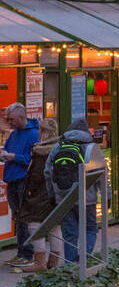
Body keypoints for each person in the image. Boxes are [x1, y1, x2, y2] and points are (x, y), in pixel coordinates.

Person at [45, 116, 109, 265]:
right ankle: (84, 258)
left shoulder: (58, 147)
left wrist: (52, 195)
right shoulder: (92, 148)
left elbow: (47, 172)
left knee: (69, 233)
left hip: (64, 198)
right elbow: (102, 174)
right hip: (87, 198)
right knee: (90, 229)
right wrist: (107, 195)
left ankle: (71, 265)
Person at [18, 117, 63, 273]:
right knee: (54, 226)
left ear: (42, 131)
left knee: (35, 225)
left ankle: (39, 262)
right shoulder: (59, 148)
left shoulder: (40, 151)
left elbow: (36, 178)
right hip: (57, 195)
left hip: (39, 195)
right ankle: (54, 261)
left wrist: (29, 191)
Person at [0, 103, 40, 267]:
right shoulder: (14, 134)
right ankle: (21, 252)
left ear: (21, 117)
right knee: (18, 217)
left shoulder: (33, 134)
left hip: (23, 180)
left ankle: (27, 253)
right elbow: (9, 150)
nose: (9, 122)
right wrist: (4, 155)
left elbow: (33, 159)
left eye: (12, 119)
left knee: (24, 217)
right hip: (12, 178)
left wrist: (13, 157)